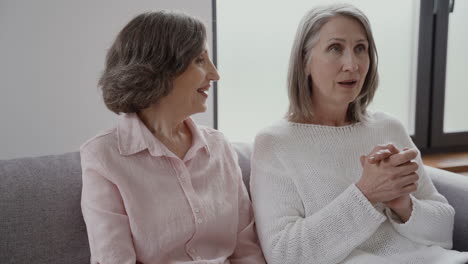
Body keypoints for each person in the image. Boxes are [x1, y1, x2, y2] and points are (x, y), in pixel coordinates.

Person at [250, 4, 468, 264]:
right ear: (304, 61)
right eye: (335, 48)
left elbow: (445, 232)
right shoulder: (275, 143)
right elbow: (286, 255)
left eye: (360, 48)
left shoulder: (388, 129)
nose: (352, 64)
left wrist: (403, 205)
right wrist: (366, 194)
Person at [80, 11, 265, 264]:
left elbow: (247, 251)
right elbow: (113, 258)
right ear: (159, 68)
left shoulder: (219, 147)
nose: (215, 74)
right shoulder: (103, 156)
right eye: (200, 60)